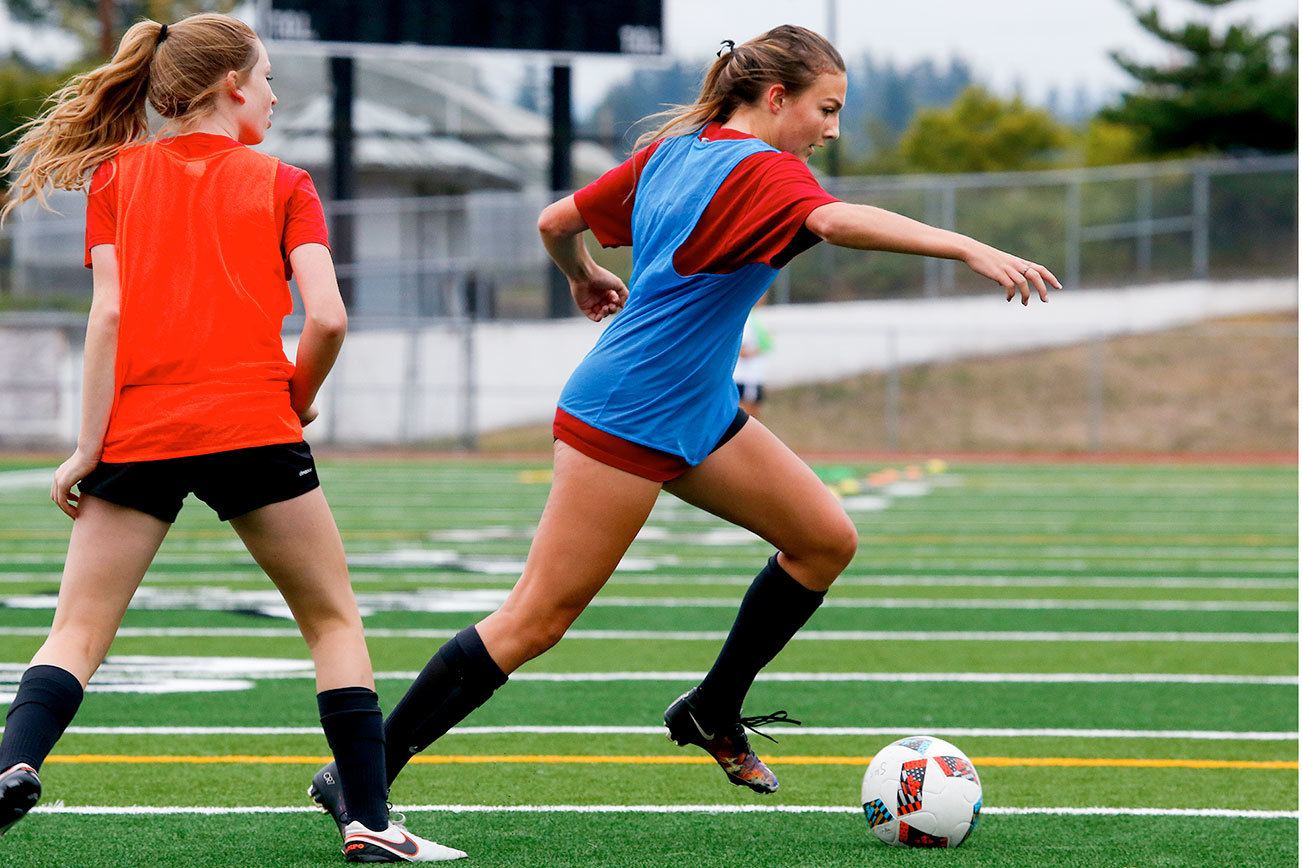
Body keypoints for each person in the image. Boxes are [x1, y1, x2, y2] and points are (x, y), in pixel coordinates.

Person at [309, 23, 1057, 830]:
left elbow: (556, 221)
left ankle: (712, 710)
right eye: (826, 109)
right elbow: (837, 224)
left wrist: (585, 275)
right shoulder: (766, 170)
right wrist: (970, 248)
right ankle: (363, 772)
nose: (832, 130)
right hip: (629, 411)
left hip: (693, 405)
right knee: (536, 618)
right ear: (776, 98)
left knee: (823, 540)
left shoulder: (678, 150)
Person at [0, 14, 462, 862]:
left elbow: (108, 316)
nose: (278, 97)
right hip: (254, 425)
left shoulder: (115, 179)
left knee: (77, 631)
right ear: (231, 87)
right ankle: (369, 819)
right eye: (271, 78)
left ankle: (13, 765)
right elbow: (327, 316)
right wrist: (298, 396)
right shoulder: (285, 182)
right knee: (331, 621)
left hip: (138, 428)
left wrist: (86, 444)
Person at [735, 295, 773, 417]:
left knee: (756, 414)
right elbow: (741, 351)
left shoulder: (758, 319)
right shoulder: (746, 319)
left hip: (755, 376)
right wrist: (759, 349)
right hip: (745, 377)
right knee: (744, 416)